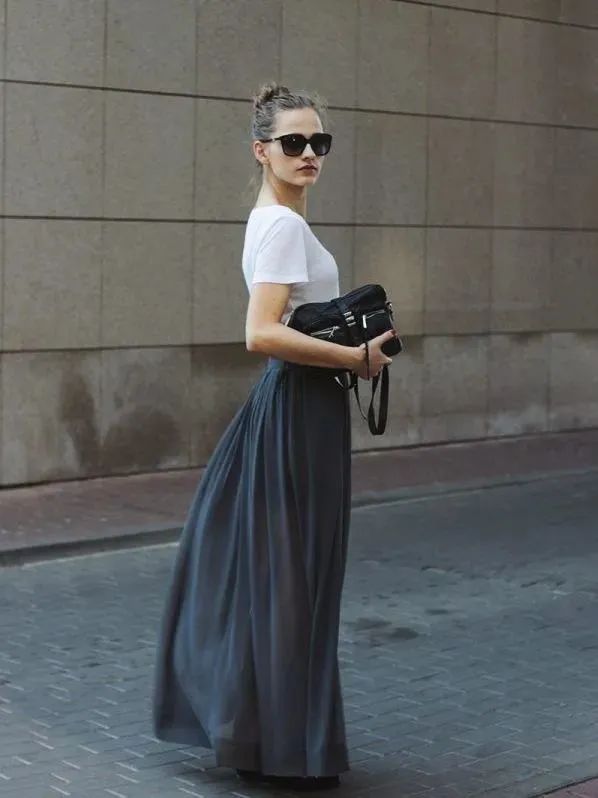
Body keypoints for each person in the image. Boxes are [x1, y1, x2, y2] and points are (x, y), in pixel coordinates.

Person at [152, 82, 396, 792]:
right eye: (294, 142)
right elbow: (260, 332)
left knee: (283, 576)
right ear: (262, 150)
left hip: (294, 406)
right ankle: (291, 746)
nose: (309, 152)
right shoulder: (283, 227)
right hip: (299, 408)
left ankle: (270, 738)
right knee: (298, 577)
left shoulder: (272, 220)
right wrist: (356, 356)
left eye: (320, 141)